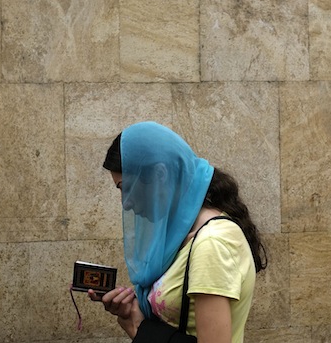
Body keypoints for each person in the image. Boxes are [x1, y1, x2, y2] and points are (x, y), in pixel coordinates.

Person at [88, 121, 267, 343]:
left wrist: (137, 327)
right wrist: (131, 309)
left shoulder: (212, 242)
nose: (126, 203)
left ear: (160, 175)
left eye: (127, 187)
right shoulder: (180, 235)